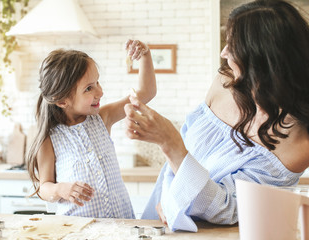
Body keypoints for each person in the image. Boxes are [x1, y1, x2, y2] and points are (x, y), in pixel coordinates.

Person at [123, 0, 309, 232]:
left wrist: (170, 143)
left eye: (233, 45)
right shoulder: (225, 82)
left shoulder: (299, 142)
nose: (224, 52)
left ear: (264, 57)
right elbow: (183, 158)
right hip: (161, 221)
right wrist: (172, 198)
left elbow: (228, 208)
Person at [26, 39, 156, 218]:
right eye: (88, 88)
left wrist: (145, 56)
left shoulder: (102, 118)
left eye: (97, 83)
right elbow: (44, 187)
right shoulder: (49, 138)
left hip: (121, 226)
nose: (100, 92)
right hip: (78, 231)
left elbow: (146, 93)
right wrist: (60, 189)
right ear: (62, 101)